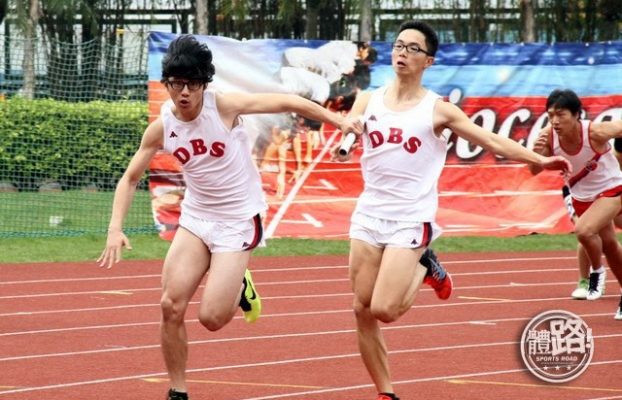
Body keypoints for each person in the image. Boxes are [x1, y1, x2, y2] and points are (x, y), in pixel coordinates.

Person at [97, 34, 361, 400]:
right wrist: (115, 228)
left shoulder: (223, 107)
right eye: (176, 84)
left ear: (204, 83)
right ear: (168, 84)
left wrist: (337, 120)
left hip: (238, 219)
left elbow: (285, 99)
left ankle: (239, 283)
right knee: (170, 305)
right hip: (197, 217)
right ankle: (178, 390)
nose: (183, 93)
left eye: (191, 84)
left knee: (212, 319)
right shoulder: (162, 126)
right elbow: (129, 178)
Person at [332, 21, 573, 400]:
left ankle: (425, 263)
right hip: (368, 213)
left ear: (428, 60)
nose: (402, 53)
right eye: (398, 45)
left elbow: (493, 141)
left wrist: (539, 160)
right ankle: (386, 393)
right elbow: (344, 133)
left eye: (413, 48)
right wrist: (347, 130)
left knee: (384, 309)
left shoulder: (438, 109)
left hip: (410, 217)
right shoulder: (369, 99)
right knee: (361, 308)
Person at [529, 89, 622, 320]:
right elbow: (533, 169)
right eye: (550, 115)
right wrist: (538, 153)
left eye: (561, 114)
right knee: (609, 244)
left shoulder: (595, 131)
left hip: (611, 188)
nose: (555, 121)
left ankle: (596, 273)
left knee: (584, 230)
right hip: (581, 195)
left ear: (576, 114)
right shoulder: (547, 136)